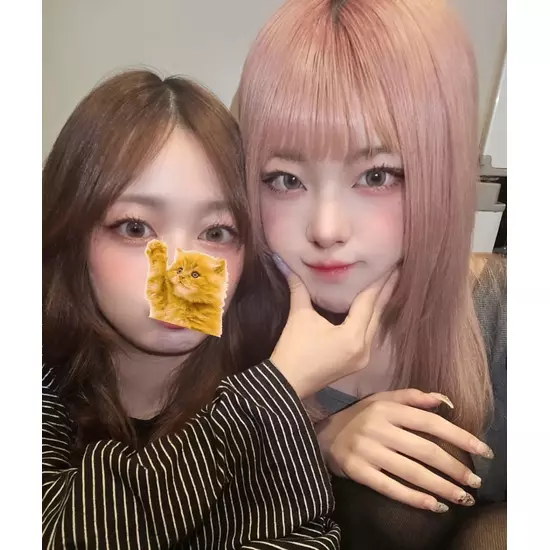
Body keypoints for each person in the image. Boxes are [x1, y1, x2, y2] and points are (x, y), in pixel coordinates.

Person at [42, 69, 395, 549]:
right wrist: (275, 390)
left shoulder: (260, 373)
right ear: (73, 236)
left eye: (216, 232)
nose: (181, 275)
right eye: (135, 228)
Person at [233, 0, 506, 547]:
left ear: (441, 170)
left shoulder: (505, 314)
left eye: (377, 175)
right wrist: (311, 440)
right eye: (285, 180)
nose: (326, 229)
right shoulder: (221, 330)